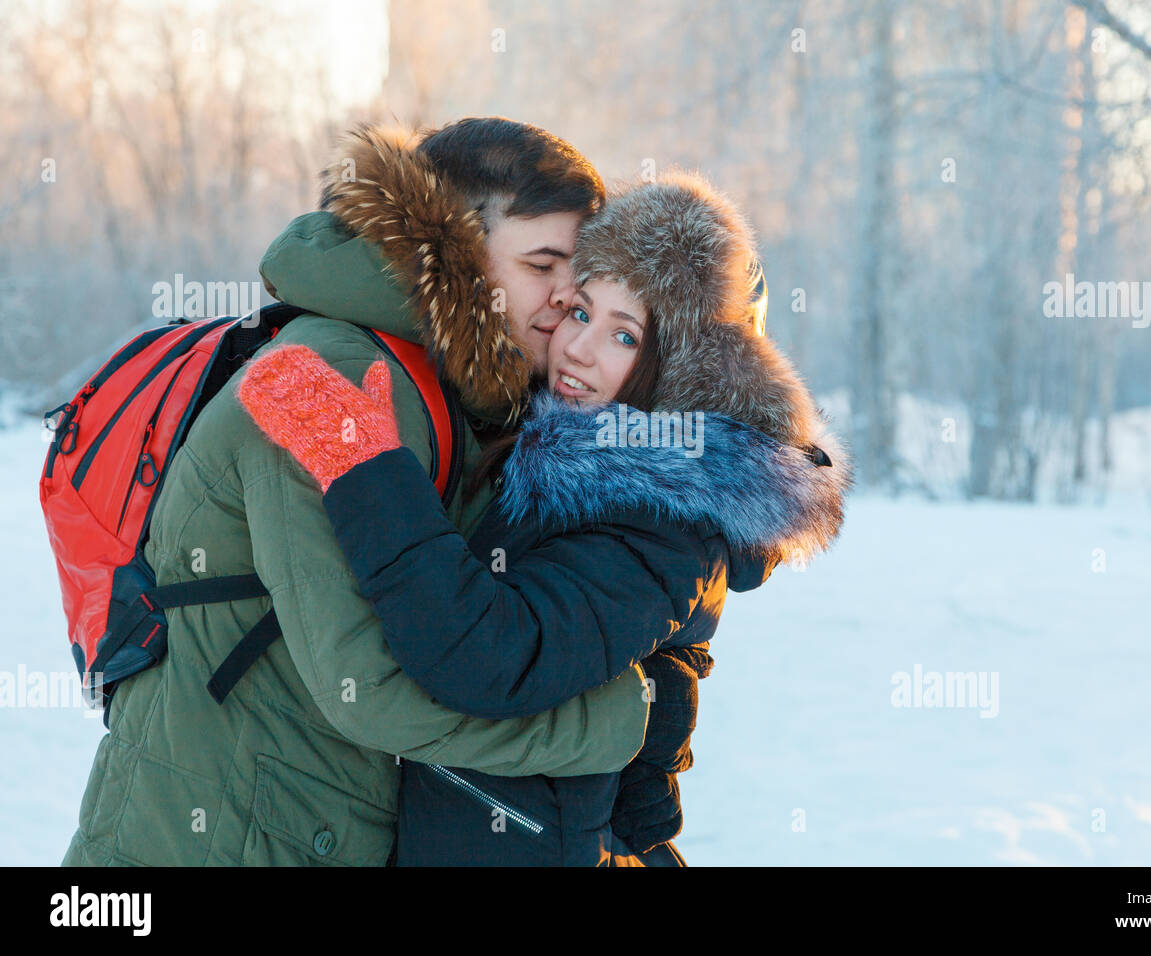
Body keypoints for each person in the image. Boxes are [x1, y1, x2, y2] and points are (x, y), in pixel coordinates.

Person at [62, 120, 666, 867]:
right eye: (544, 263)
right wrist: (606, 722)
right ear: (451, 251)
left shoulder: (448, 390)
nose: (566, 297)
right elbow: (367, 686)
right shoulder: (327, 377)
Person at [236, 171, 852, 865]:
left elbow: (490, 656)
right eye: (582, 312)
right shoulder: (561, 453)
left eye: (625, 337)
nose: (579, 349)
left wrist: (367, 472)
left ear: (684, 371)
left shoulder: (664, 520)